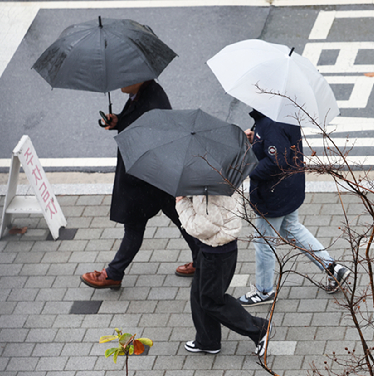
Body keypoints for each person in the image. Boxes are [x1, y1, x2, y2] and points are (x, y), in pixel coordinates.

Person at [80, 80, 198, 289]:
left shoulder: (152, 104)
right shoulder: (142, 94)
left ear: (141, 77)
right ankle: (203, 261)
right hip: (153, 175)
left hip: (148, 176)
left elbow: (150, 135)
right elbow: (134, 123)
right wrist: (118, 120)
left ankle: (113, 273)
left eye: (126, 78)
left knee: (135, 225)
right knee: (180, 218)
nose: (120, 83)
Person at [238, 110, 351, 306]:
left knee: (264, 243)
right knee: (292, 228)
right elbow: (278, 147)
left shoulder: (270, 122)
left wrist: (249, 167)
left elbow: (276, 161)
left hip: (273, 194)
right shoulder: (283, 114)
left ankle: (264, 291)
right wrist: (255, 140)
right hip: (290, 186)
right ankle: (333, 268)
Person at [176, 194, 270, 356]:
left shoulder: (208, 193)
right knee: (199, 294)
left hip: (216, 253)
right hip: (213, 249)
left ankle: (258, 328)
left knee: (212, 300)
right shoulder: (220, 180)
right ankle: (207, 340)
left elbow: (202, 227)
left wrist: (182, 203)